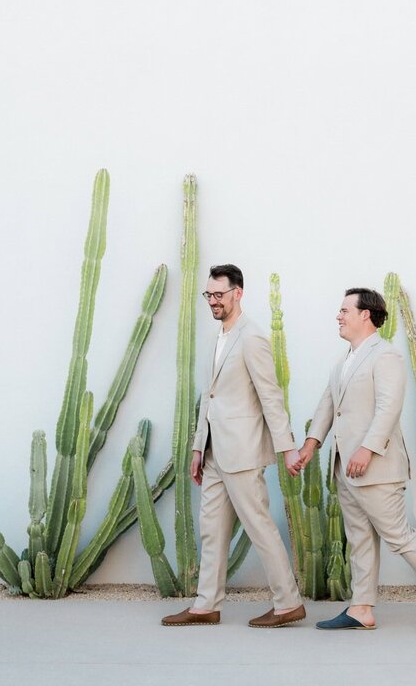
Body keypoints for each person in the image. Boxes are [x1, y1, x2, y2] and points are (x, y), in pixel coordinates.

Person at [296, 287, 416, 630]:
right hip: (345, 468)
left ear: (366, 314)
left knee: (397, 535)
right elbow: (327, 406)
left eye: (345, 310)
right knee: (359, 537)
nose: (339, 316)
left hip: (374, 466)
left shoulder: (385, 355)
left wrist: (367, 448)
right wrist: (310, 446)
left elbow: (389, 407)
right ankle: (361, 608)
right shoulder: (344, 361)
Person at [161, 264, 306, 629]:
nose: (213, 301)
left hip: (240, 453)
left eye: (219, 295)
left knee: (259, 526)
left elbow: (270, 396)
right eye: (208, 295)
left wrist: (287, 447)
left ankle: (288, 603)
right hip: (213, 452)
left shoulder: (251, 337)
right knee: (211, 529)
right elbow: (209, 397)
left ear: (238, 293)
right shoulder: (221, 337)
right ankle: (206, 605)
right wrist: (198, 448)